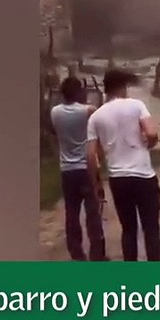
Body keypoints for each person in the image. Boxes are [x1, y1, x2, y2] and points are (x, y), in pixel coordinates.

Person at [87, 68, 160, 261]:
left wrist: (97, 185)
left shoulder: (96, 116)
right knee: (151, 228)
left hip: (118, 179)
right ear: (123, 86)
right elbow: (152, 133)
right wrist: (149, 144)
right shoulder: (137, 105)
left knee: (128, 230)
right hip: (143, 175)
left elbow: (90, 156)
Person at [48, 77, 107, 261]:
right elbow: (100, 118)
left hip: (67, 169)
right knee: (92, 212)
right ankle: (97, 253)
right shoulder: (87, 111)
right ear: (78, 92)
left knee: (71, 213)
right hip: (86, 168)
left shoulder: (55, 112)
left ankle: (76, 253)